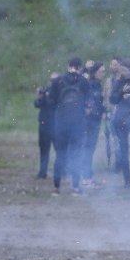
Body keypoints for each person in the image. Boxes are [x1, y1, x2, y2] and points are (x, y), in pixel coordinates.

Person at [48, 57, 90, 195]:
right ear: (80, 67)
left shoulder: (58, 81)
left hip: (61, 123)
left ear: (69, 66)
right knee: (76, 154)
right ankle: (76, 186)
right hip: (77, 123)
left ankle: (56, 187)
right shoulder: (84, 82)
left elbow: (51, 101)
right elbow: (88, 103)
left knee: (60, 155)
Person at [81, 62, 106, 187]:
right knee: (88, 149)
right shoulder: (91, 85)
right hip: (90, 121)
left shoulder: (97, 85)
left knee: (89, 149)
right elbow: (92, 103)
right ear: (95, 72)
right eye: (102, 71)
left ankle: (87, 176)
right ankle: (86, 177)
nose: (103, 74)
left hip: (94, 121)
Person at [34, 72, 58, 179]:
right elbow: (37, 104)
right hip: (45, 124)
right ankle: (43, 171)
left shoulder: (60, 92)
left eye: (54, 80)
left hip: (56, 124)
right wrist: (40, 96)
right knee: (44, 149)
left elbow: (50, 103)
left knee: (59, 149)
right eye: (51, 80)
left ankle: (61, 170)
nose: (52, 83)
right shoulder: (47, 91)